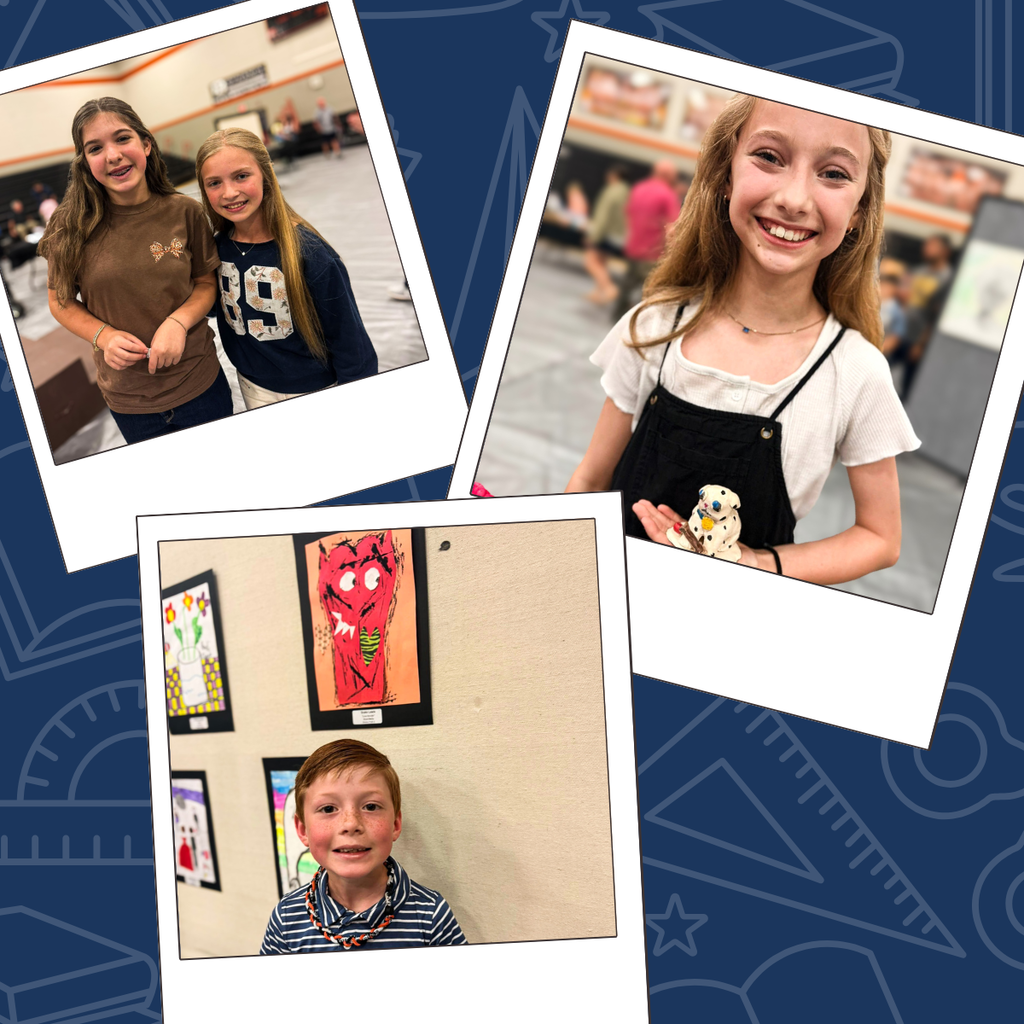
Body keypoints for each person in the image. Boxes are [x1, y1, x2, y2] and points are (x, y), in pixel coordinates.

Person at [566, 94, 921, 586]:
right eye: (770, 157)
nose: (795, 199)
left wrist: (756, 563)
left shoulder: (855, 371)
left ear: (861, 209)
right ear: (726, 171)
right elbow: (589, 480)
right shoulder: (654, 327)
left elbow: (880, 538)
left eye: (834, 173)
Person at [38, 97, 232, 444]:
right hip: (130, 402)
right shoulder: (67, 227)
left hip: (199, 385)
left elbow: (205, 283)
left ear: (146, 144)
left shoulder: (185, 212)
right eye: (95, 148)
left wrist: (178, 321)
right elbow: (60, 301)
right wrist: (103, 336)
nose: (112, 155)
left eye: (122, 138)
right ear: (85, 162)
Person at [196, 128, 377, 409]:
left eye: (242, 176)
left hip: (317, 389)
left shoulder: (310, 254)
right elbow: (215, 307)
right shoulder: (217, 250)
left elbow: (350, 341)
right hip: (252, 386)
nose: (229, 192)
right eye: (214, 183)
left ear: (266, 176)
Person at [260, 739, 467, 952]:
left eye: (370, 806)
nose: (351, 824)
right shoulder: (286, 918)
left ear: (395, 824)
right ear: (303, 830)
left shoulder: (431, 915)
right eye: (329, 809)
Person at [611, 159, 682, 321]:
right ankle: (642, 324)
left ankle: (617, 318)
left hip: (634, 246)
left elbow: (627, 213)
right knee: (651, 291)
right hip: (653, 253)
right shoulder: (667, 195)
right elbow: (673, 226)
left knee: (627, 285)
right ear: (668, 175)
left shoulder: (638, 188)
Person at [583, 165, 629, 305]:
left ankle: (609, 288)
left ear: (613, 175)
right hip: (619, 234)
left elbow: (604, 215)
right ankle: (598, 292)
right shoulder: (626, 191)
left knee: (590, 261)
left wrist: (594, 235)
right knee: (601, 262)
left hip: (606, 233)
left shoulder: (612, 191)